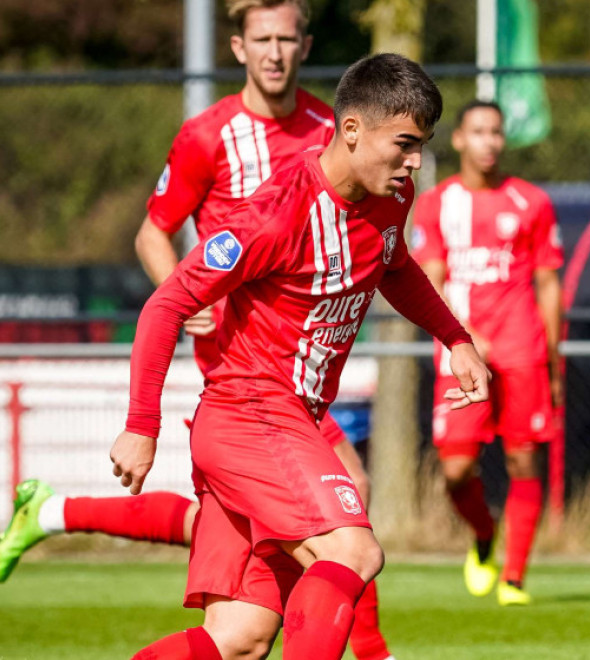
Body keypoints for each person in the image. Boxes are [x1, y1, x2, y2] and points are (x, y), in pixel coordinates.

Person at [0, 2, 397, 658]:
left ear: (306, 45)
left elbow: (374, 240)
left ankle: (52, 512)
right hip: (247, 380)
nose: (275, 52)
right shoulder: (208, 136)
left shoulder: (339, 131)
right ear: (239, 48)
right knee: (345, 512)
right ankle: (373, 651)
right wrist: (181, 297)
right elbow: (153, 233)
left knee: (238, 634)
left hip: (296, 375)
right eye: (261, 39)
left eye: (287, 39)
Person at [111, 52, 488, 659]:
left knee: (240, 640)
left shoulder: (392, 194)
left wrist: (457, 338)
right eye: (405, 143)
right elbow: (166, 305)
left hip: (282, 421)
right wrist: (140, 427)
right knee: (354, 551)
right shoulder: (273, 214)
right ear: (352, 130)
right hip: (251, 414)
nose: (415, 160)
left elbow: (396, 266)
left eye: (423, 145)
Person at [411, 99, 564, 607]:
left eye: (496, 132)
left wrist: (553, 357)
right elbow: (428, 279)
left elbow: (547, 283)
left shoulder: (532, 202)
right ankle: (483, 535)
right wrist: (464, 334)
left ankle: (514, 577)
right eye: (478, 131)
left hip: (523, 350)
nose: (489, 142)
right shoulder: (435, 204)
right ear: (457, 139)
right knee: (455, 471)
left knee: (524, 461)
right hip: (460, 352)